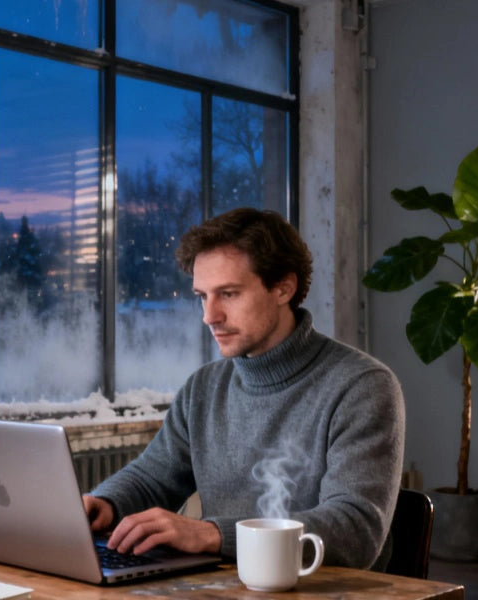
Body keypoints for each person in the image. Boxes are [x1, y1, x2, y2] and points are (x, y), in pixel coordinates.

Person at [83, 207, 404, 569]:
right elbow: (151, 479)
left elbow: (355, 530)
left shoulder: (361, 386)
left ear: (284, 287)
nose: (209, 315)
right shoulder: (203, 388)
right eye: (202, 296)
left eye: (229, 294)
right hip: (223, 589)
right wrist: (102, 504)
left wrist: (212, 535)